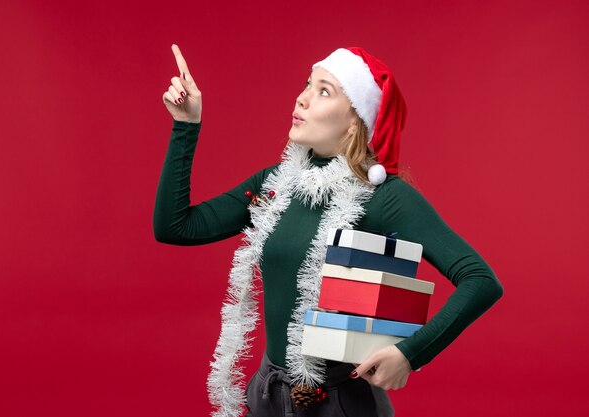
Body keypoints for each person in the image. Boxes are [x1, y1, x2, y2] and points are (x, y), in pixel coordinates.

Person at [154, 44, 504, 417]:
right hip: (266, 394)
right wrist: (186, 126)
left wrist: (410, 354)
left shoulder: (384, 196)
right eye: (308, 84)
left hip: (338, 403)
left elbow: (481, 280)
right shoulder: (275, 185)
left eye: (324, 91)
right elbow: (176, 227)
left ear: (356, 121)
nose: (302, 98)